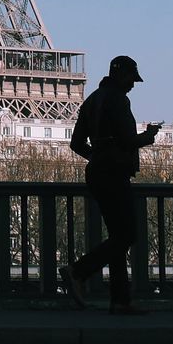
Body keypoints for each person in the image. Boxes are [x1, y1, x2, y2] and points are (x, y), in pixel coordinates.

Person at [60, 55, 160, 315]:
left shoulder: (92, 99)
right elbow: (127, 140)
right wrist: (148, 137)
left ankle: (120, 300)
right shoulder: (118, 99)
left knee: (118, 237)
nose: (133, 85)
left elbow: (76, 143)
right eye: (131, 79)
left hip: (97, 173)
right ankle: (78, 271)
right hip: (114, 173)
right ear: (120, 75)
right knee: (128, 235)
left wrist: (98, 155)